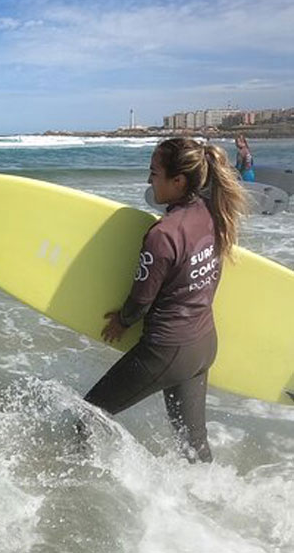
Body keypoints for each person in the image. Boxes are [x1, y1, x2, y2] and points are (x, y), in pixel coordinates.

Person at [87, 138, 246, 463]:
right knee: (194, 448)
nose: (149, 181)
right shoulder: (211, 211)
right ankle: (209, 503)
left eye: (154, 173)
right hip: (202, 345)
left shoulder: (164, 234)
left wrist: (122, 321)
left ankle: (77, 491)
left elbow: (141, 300)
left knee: (87, 415)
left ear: (179, 181)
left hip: (167, 351)